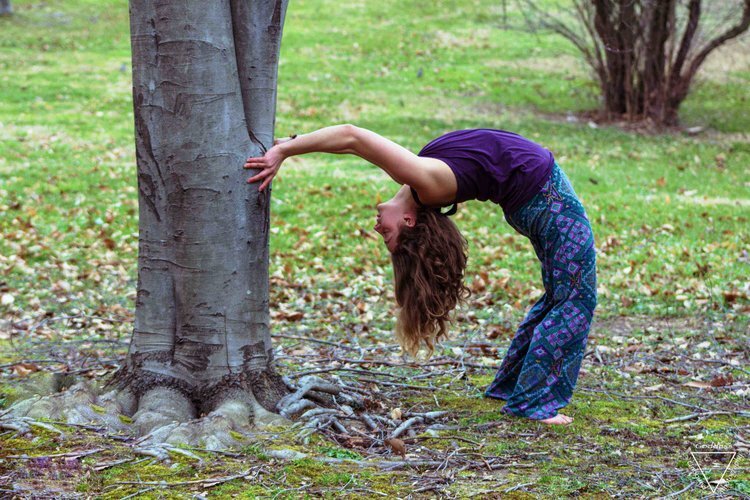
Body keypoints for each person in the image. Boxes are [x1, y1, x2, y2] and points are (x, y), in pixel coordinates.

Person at [244, 124, 597, 426]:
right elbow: (352, 137)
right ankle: (533, 402)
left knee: (561, 295)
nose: (377, 226)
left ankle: (514, 388)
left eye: (383, 234)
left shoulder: (422, 180)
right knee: (575, 298)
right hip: (548, 199)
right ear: (408, 221)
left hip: (538, 199)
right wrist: (286, 150)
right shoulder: (428, 183)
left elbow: (353, 137)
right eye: (387, 233)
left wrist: (289, 145)